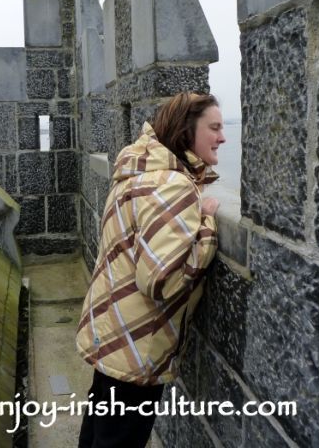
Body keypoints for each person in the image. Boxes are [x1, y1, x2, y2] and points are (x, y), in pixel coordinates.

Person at [76, 92, 226, 448]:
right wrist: (206, 227)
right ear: (187, 131)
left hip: (112, 332)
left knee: (98, 432)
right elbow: (161, 280)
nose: (223, 137)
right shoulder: (171, 185)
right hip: (137, 345)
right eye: (215, 128)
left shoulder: (137, 173)